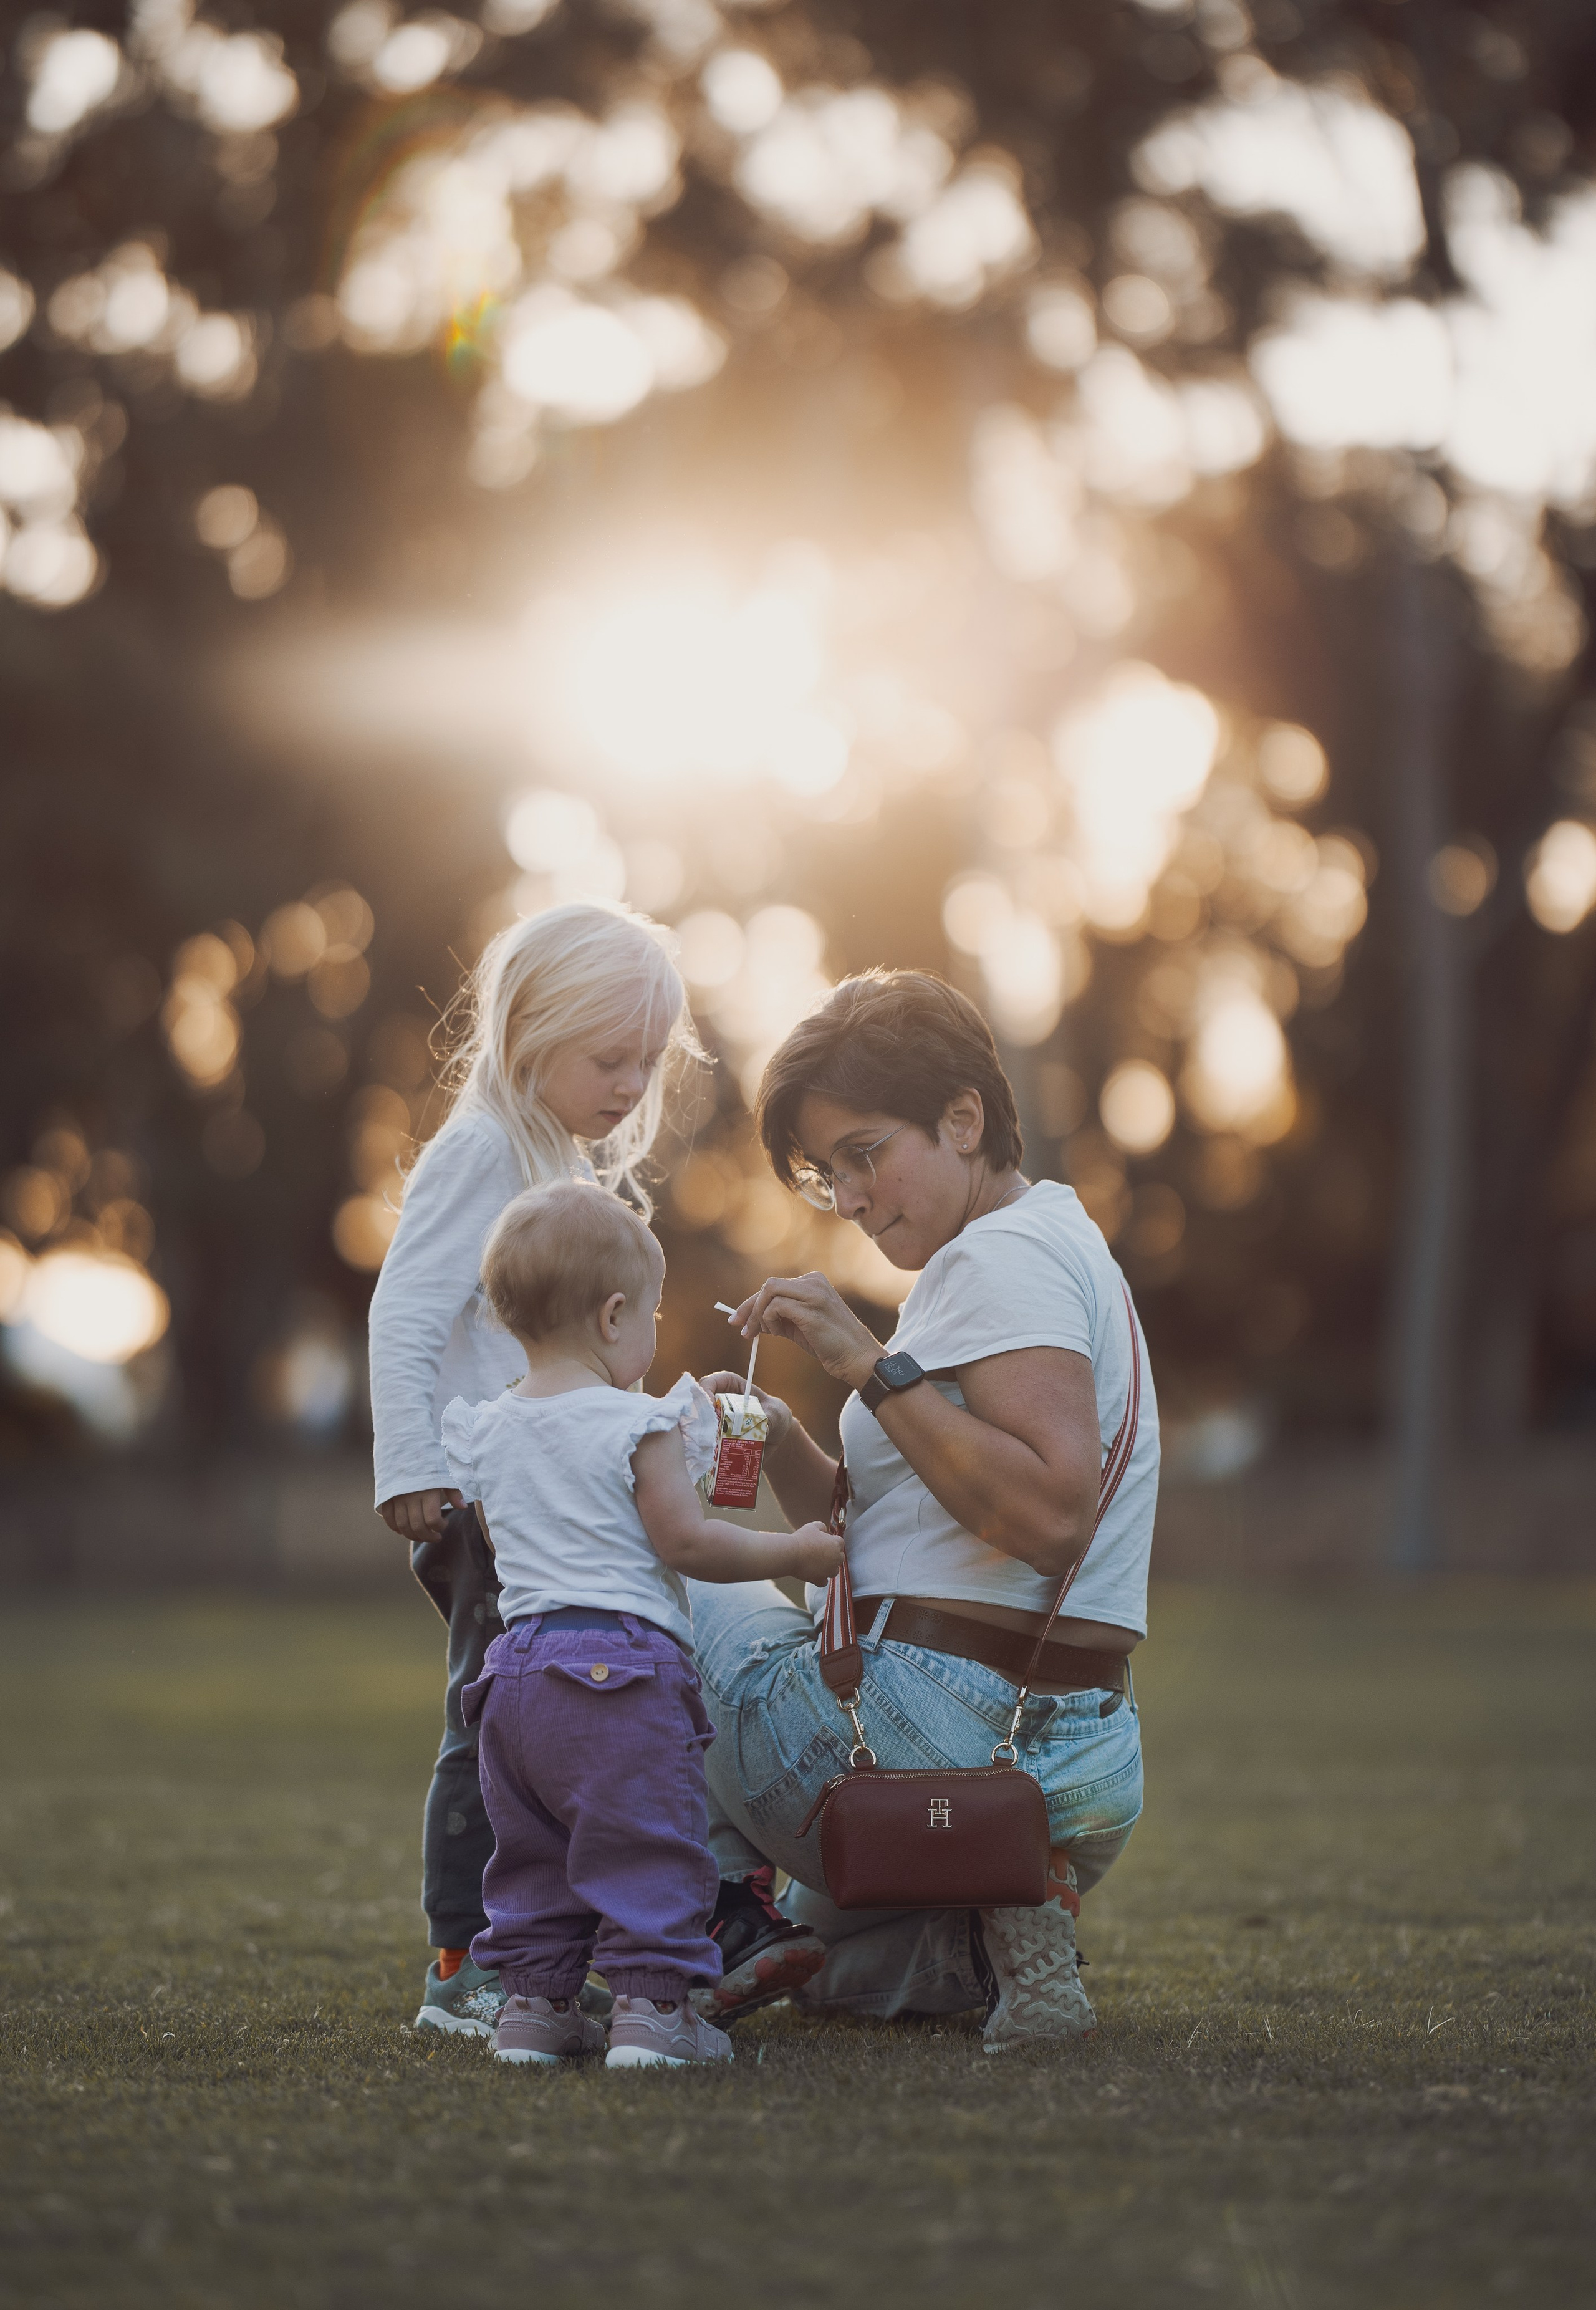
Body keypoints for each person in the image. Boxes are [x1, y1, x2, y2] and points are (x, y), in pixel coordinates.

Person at [693, 969, 1158, 2052]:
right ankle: (998, 1936)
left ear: (964, 1119)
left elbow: (1051, 1516)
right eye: (829, 1173)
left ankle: (714, 1908)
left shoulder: (1002, 1256)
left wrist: (867, 1363)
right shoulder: (1041, 1242)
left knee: (664, 1577)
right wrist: (781, 1434)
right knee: (820, 1959)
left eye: (864, 1153)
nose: (850, 1198)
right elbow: (888, 1537)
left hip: (944, 1728)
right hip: (1072, 1757)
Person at [368, 899, 695, 2035]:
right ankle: (465, 1963)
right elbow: (406, 1311)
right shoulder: (482, 1151)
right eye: (610, 1058)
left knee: (567, 1719)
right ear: (529, 1034)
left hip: (543, 1499)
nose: (632, 1084)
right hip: (481, 1502)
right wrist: (412, 1464)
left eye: (648, 1061)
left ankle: (554, 1954)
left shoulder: (559, 1161)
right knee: (495, 1720)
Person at [441, 1179, 844, 2068]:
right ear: (614, 1314)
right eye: (654, 1313)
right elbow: (685, 1540)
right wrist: (796, 1552)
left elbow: (515, 1532)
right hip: (620, 1672)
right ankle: (655, 2014)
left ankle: (534, 2010)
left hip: (515, 1675)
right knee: (648, 1843)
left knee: (536, 1851)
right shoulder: (642, 1424)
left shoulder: (491, 1427)